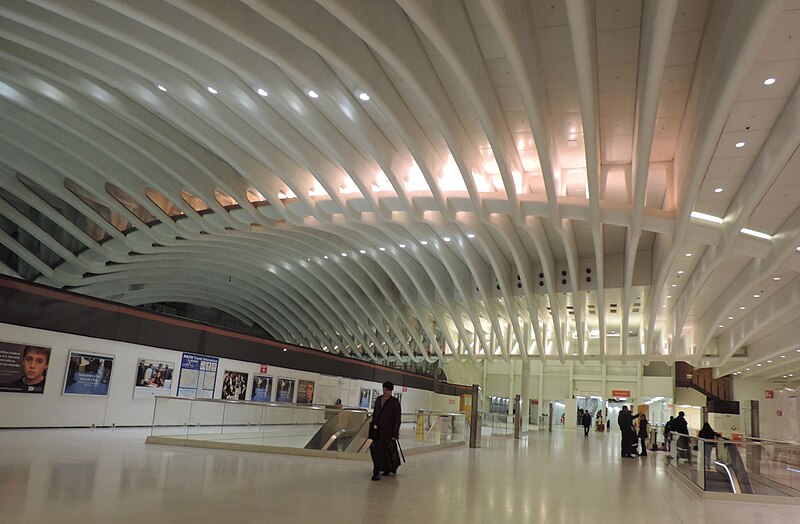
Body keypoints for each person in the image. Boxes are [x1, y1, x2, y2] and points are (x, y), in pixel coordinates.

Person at [370, 381, 401, 481]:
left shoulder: (395, 402)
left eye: (387, 390)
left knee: (380, 450)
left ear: (391, 391)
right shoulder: (379, 400)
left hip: (388, 431)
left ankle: (376, 472)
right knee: (376, 449)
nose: (385, 392)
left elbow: (397, 418)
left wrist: (395, 433)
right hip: (377, 430)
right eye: (383, 389)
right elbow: (375, 413)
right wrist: (373, 424)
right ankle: (386, 468)